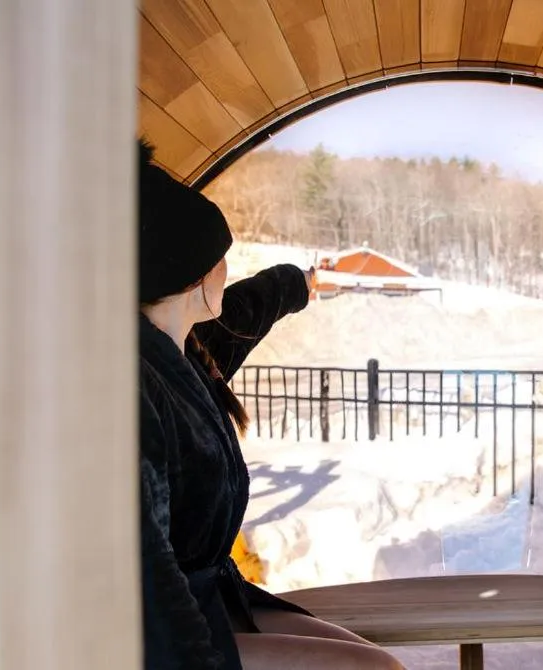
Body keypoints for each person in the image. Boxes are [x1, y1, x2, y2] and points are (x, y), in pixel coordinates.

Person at [137, 140, 405, 670]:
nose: (227, 270)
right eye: (219, 258)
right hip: (167, 634)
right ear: (189, 275)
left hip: (217, 598)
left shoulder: (187, 352)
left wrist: (301, 283)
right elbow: (147, 567)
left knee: (379, 663)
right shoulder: (136, 386)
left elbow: (250, 308)